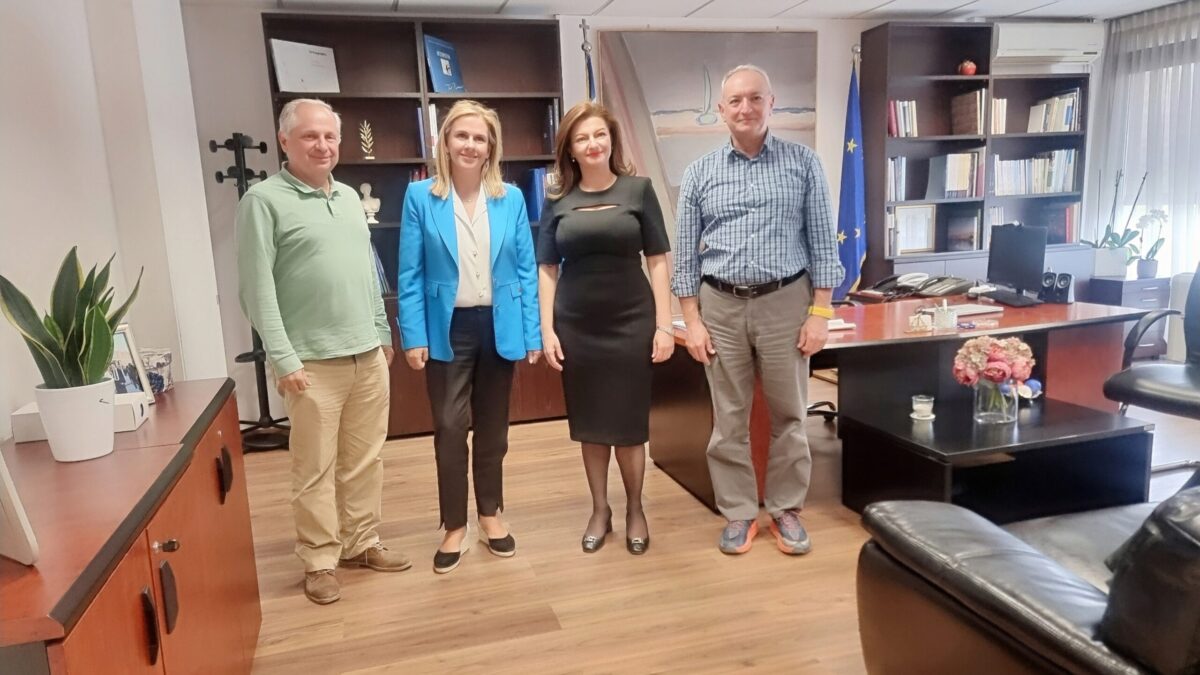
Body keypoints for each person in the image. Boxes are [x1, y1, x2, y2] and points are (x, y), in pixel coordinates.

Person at [237, 98, 409, 605]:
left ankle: (361, 543)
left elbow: (367, 271)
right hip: (310, 363)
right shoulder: (262, 201)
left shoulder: (350, 197)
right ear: (285, 141)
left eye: (330, 136)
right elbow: (256, 290)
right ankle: (318, 560)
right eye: (310, 136)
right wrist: (283, 357)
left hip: (366, 357)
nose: (323, 145)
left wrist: (382, 332)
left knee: (365, 460)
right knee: (313, 468)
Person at [671, 65, 844, 557]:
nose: (744, 108)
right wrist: (692, 321)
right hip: (720, 305)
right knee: (729, 418)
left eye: (754, 98)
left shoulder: (803, 163)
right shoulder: (700, 173)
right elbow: (685, 257)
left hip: (786, 302)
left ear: (772, 102)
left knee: (790, 414)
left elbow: (823, 243)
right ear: (721, 110)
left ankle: (786, 509)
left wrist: (821, 314)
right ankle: (739, 512)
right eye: (735, 101)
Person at [397, 100, 542, 574]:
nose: (470, 145)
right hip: (447, 328)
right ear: (444, 141)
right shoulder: (420, 196)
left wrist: (533, 333)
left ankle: (490, 514)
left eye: (480, 138)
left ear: (491, 148)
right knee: (450, 426)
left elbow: (525, 271)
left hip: (499, 325)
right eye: (462, 135)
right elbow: (410, 273)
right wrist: (413, 335)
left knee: (494, 428)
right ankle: (454, 525)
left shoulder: (510, 198)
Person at [537, 102, 673, 555]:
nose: (592, 144)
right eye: (582, 138)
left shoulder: (639, 190)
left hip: (632, 321)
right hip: (577, 326)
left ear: (611, 139)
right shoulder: (557, 200)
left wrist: (663, 325)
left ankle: (635, 508)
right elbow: (546, 268)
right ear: (570, 150)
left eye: (599, 134)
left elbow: (658, 260)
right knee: (591, 424)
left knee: (630, 425)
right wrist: (547, 329)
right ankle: (600, 509)